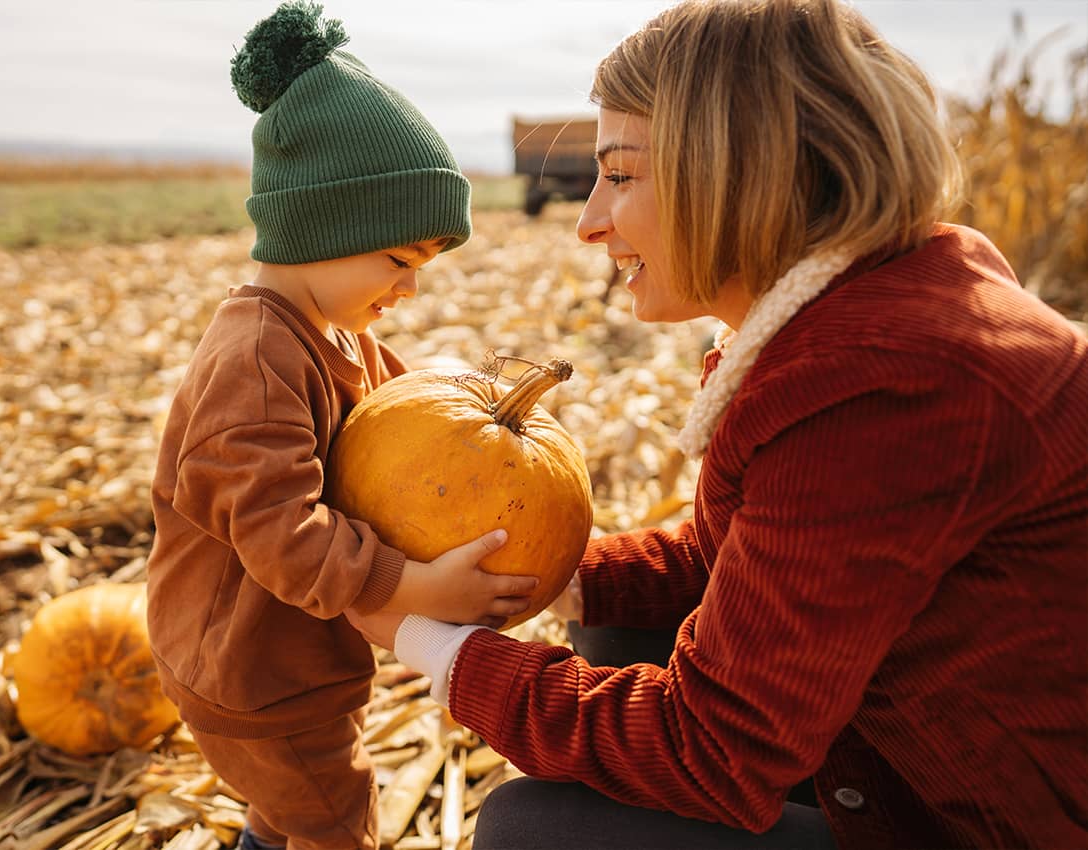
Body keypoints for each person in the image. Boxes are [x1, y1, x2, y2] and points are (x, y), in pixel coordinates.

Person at [347, 0, 1088, 847]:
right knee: (615, 625)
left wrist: (421, 636)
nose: (589, 223)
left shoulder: (883, 386)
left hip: (1004, 824)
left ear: (739, 171)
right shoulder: (883, 301)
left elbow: (712, 751)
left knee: (539, 831)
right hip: (934, 752)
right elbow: (733, 559)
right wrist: (532, 575)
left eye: (620, 176)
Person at [144, 4, 538, 849]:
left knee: (290, 815)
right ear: (321, 225)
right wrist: (415, 590)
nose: (409, 289)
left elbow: (407, 423)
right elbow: (285, 537)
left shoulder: (337, 333)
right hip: (250, 672)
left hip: (286, 660)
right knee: (333, 825)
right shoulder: (254, 362)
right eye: (397, 261)